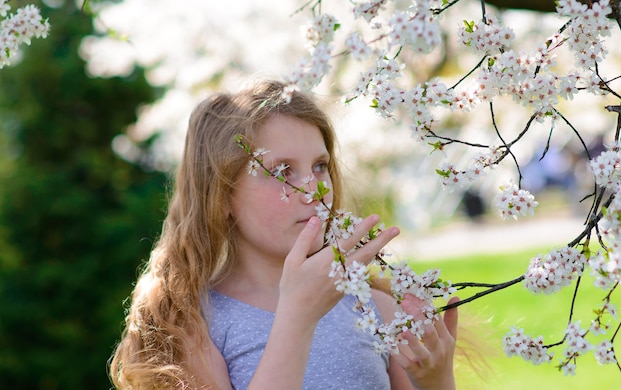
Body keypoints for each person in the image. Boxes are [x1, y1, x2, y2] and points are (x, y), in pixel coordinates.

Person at [109, 79, 459, 389]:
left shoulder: (373, 308)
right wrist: (297, 318)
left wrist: (437, 382)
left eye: (320, 166)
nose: (315, 190)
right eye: (282, 171)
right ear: (222, 196)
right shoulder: (193, 325)